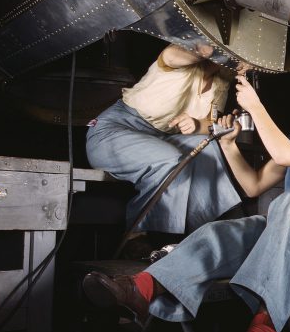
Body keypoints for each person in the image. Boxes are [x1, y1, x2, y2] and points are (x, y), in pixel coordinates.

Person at [82, 42, 290, 332]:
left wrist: (256, 107)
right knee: (222, 232)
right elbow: (253, 185)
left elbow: (285, 156)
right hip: (287, 228)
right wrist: (229, 144)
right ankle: (141, 289)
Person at [85, 43, 242, 239]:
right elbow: (170, 57)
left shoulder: (222, 79)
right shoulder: (178, 58)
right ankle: (137, 235)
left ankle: (206, 234)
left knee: (207, 146)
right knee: (169, 158)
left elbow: (210, 122)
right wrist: (207, 49)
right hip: (114, 131)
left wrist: (195, 124)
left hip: (160, 138)